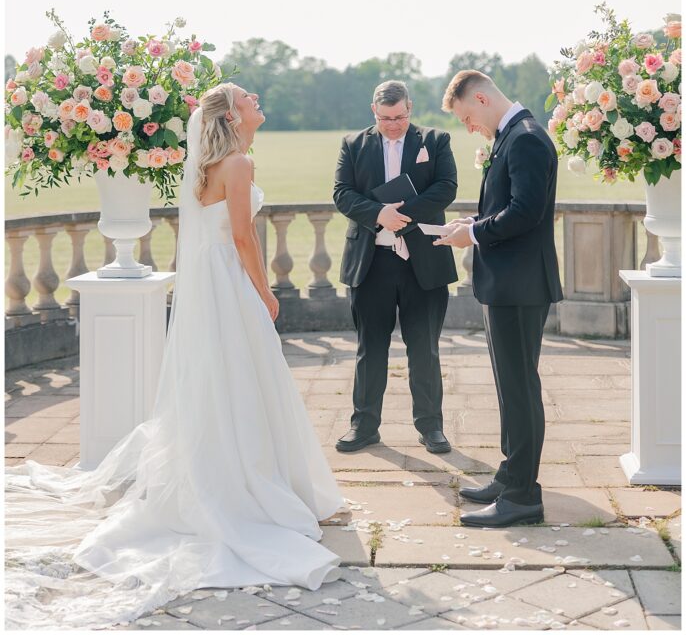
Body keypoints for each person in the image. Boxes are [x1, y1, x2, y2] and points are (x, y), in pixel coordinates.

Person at [5, 83, 346, 629]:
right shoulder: (238, 163)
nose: (258, 99)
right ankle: (254, 484)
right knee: (245, 376)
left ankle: (248, 474)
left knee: (225, 378)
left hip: (208, 284)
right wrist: (265, 291)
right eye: (248, 97)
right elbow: (242, 238)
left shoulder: (208, 166)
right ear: (233, 116)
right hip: (229, 282)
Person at [435, 70, 563, 527]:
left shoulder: (525, 137)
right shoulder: (513, 134)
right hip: (508, 283)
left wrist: (472, 233)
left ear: (483, 99)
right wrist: (472, 220)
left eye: (468, 117)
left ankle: (524, 496)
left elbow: (525, 214)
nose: (469, 128)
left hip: (521, 285)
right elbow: (507, 207)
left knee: (521, 390)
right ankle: (510, 476)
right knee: (510, 389)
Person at [333, 80, 458, 455]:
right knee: (370, 349)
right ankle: (364, 426)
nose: (393, 124)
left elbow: (446, 187)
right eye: (386, 118)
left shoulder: (435, 141)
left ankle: (431, 427)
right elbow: (342, 192)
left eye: (400, 117)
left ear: (410, 109)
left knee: (425, 349)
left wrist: (398, 216)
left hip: (424, 261)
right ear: (374, 111)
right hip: (371, 264)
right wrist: (378, 215)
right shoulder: (353, 145)